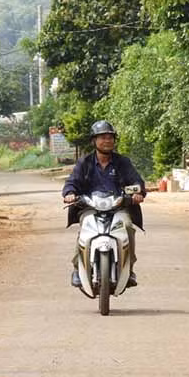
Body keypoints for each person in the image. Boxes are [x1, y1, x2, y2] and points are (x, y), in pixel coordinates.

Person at [62, 120, 146, 288]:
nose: (107, 141)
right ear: (94, 141)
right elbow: (72, 182)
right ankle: (78, 268)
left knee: (128, 226)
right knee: (85, 227)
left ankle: (128, 269)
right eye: (102, 137)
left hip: (118, 207)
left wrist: (138, 193)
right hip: (90, 207)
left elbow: (136, 180)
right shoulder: (84, 163)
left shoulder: (123, 162)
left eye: (110, 137)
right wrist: (70, 193)